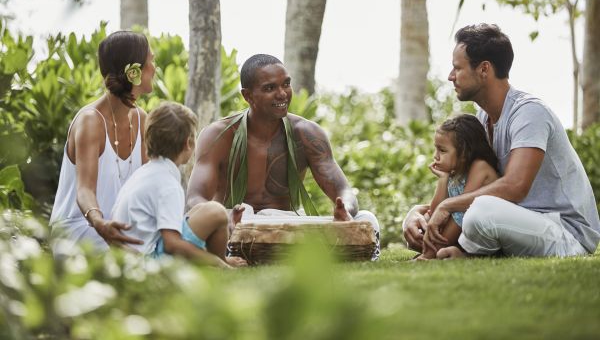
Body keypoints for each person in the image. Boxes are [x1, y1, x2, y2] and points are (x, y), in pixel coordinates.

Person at [403, 23, 600, 258]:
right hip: (519, 223)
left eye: (458, 68)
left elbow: (515, 186)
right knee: (463, 215)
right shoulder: (482, 118)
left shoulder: (529, 113)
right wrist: (418, 213)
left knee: (481, 211)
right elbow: (472, 188)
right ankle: (467, 255)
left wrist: (447, 206)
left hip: (567, 233)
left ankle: (471, 254)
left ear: (484, 69)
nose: (450, 76)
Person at [186, 54, 380, 258]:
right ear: (248, 95)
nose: (282, 94)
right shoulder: (219, 135)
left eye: (286, 84)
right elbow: (194, 198)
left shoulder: (307, 134)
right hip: (235, 226)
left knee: (367, 218)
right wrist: (223, 215)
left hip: (286, 225)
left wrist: (346, 210)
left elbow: (343, 190)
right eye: (270, 88)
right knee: (215, 220)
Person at [49, 31, 154, 254]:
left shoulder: (142, 119)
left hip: (119, 231)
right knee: (140, 261)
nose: (154, 68)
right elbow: (84, 190)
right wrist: (100, 224)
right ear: (133, 72)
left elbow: (144, 188)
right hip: (79, 229)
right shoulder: (91, 121)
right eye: (150, 62)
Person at [111, 102, 247, 268]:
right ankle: (219, 264)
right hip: (147, 262)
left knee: (201, 210)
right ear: (188, 144)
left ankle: (221, 259)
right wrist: (215, 262)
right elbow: (172, 243)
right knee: (216, 211)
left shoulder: (146, 172)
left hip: (132, 255)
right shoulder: (167, 184)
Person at [417, 114, 499, 260]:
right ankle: (434, 252)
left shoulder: (480, 167)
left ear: (464, 153)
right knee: (429, 217)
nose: (436, 156)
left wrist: (431, 251)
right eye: (436, 149)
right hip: (466, 234)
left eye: (442, 150)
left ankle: (429, 254)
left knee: (460, 213)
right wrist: (443, 179)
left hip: (490, 233)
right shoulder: (455, 172)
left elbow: (463, 210)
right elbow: (436, 211)